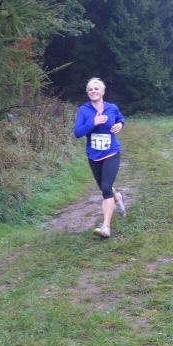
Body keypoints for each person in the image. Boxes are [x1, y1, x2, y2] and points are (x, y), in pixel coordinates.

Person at [73, 77, 126, 238]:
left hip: (111, 152)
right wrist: (93, 122)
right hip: (94, 155)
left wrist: (120, 124)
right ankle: (117, 197)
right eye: (90, 89)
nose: (93, 91)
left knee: (106, 187)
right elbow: (77, 133)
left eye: (96, 88)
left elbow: (120, 119)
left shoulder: (112, 108)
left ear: (102, 91)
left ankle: (106, 227)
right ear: (88, 93)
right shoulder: (83, 110)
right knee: (105, 187)